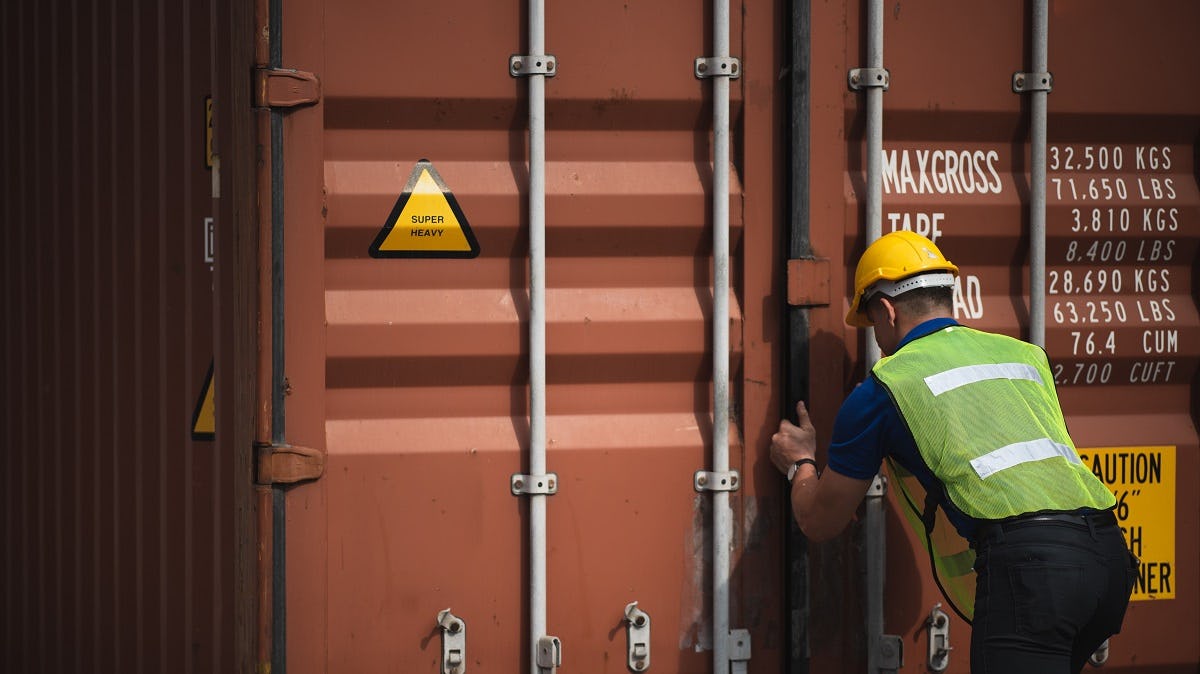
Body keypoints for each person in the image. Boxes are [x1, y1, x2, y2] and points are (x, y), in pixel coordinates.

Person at [770, 231, 1137, 673]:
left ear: (886, 310)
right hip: (1109, 557)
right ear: (946, 296)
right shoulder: (1024, 356)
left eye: (873, 326)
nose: (879, 341)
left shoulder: (886, 387)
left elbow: (820, 519)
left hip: (1033, 571)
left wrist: (801, 463)